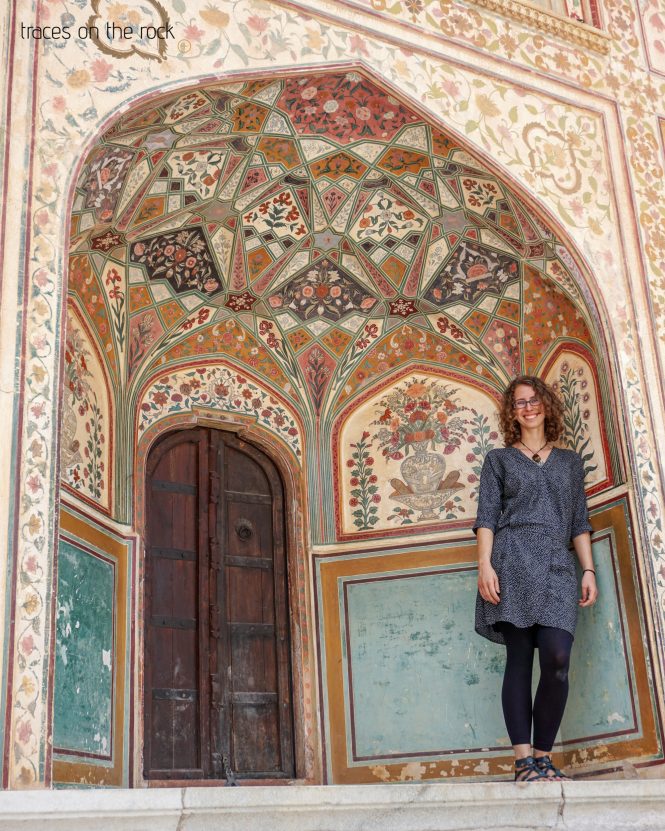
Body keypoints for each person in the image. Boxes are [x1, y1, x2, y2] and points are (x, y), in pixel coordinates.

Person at [474, 375, 598, 782]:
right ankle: (525, 761)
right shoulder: (499, 459)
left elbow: (579, 520)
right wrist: (485, 565)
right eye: (519, 403)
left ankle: (545, 756)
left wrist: (589, 569)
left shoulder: (569, 462)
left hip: (559, 566)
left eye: (533, 400)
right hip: (512, 561)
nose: (528, 407)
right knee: (520, 660)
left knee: (557, 658)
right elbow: (487, 518)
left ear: (546, 404)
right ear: (511, 413)